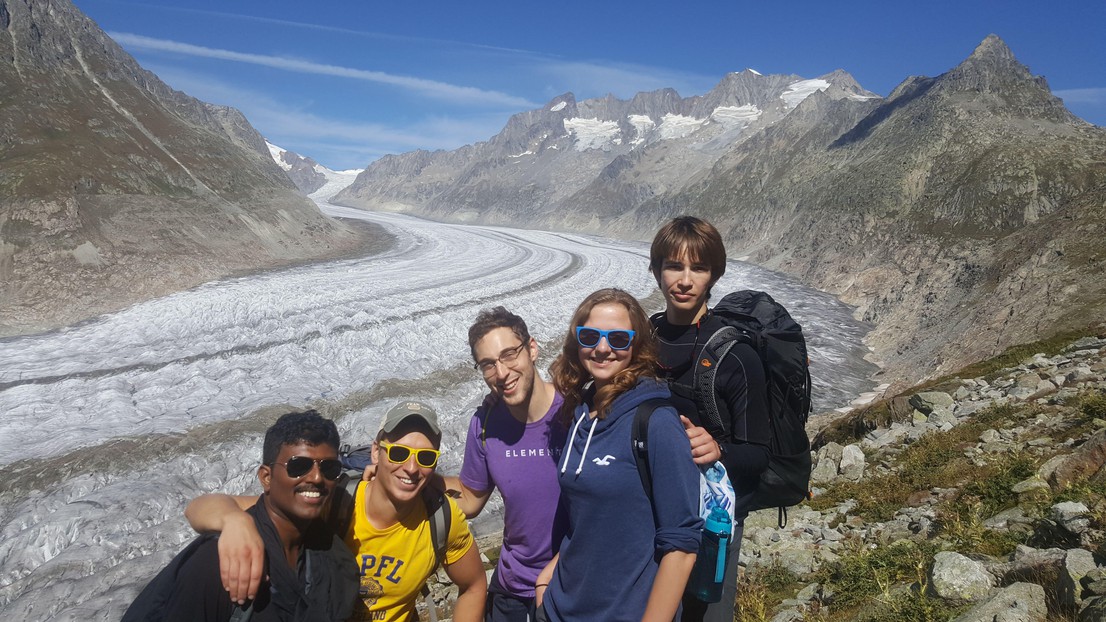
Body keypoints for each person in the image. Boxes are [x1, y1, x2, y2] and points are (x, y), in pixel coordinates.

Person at [185, 402, 487, 622]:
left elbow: (473, 585)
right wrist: (234, 522)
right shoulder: (336, 500)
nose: (411, 468)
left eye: (425, 457)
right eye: (398, 453)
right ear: (376, 452)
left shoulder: (441, 518)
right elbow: (199, 508)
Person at [536, 288, 702, 622]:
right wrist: (545, 583)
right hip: (558, 608)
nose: (601, 348)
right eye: (589, 336)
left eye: (618, 338)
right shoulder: (582, 412)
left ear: (636, 345)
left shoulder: (655, 422)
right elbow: (584, 519)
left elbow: (682, 545)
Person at [123, 410, 359, 621]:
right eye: (299, 466)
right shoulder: (218, 563)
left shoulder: (330, 554)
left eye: (329, 468)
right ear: (266, 477)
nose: (317, 478)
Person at [649, 216, 771, 622]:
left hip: (712, 525)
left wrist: (718, 450)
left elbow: (757, 454)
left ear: (714, 275)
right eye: (673, 265)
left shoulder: (737, 356)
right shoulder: (640, 342)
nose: (684, 280)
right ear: (656, 270)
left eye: (698, 268)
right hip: (649, 514)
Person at [445, 307, 567, 622]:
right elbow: (470, 498)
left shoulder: (577, 412)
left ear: (532, 349)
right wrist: (414, 474)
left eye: (509, 354)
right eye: (488, 364)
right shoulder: (485, 424)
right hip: (513, 591)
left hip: (571, 585)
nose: (501, 373)